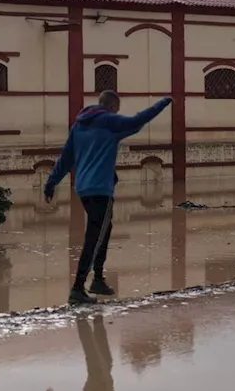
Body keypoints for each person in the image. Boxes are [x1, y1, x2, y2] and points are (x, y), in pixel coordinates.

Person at [45, 90, 172, 305]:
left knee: (104, 228)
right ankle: (78, 288)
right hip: (100, 189)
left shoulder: (79, 125)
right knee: (94, 235)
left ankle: (98, 280)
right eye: (117, 110)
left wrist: (50, 183)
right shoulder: (109, 121)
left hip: (83, 188)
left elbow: (66, 159)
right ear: (113, 107)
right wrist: (163, 103)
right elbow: (138, 121)